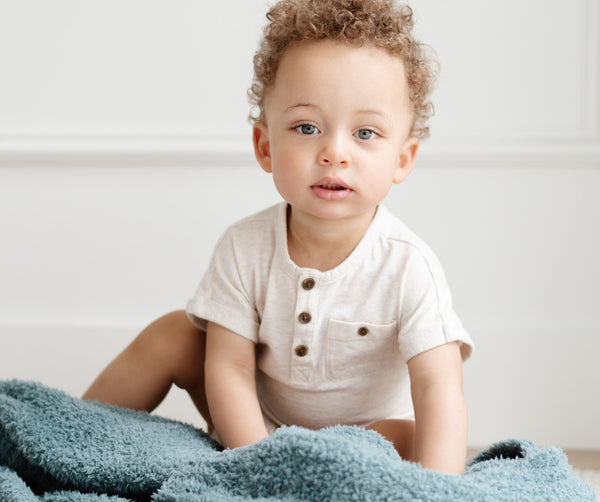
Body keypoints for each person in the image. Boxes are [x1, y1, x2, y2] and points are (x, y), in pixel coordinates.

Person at [84, 0, 473, 474]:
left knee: (407, 435)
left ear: (403, 159)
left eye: (365, 133)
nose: (334, 153)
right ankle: (73, 436)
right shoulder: (244, 246)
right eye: (307, 128)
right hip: (257, 428)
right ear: (265, 146)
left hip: (365, 441)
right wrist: (261, 462)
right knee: (176, 334)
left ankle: (346, 484)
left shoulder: (409, 266)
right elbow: (228, 369)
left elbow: (438, 387)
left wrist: (441, 492)